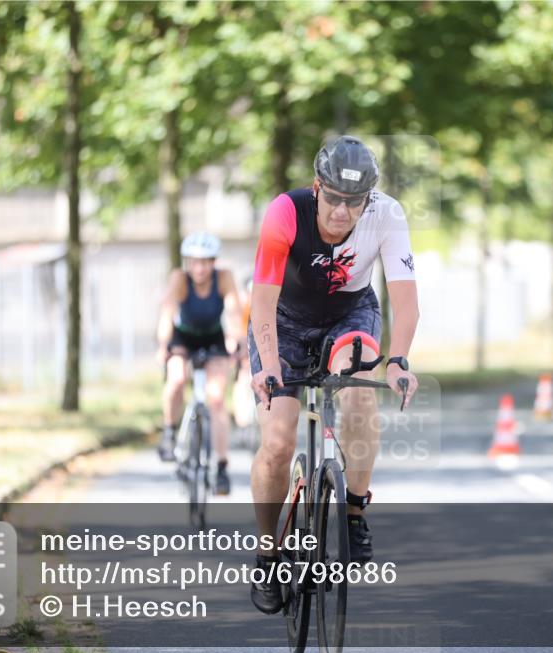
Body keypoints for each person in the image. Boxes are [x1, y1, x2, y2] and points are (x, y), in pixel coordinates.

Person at [246, 136, 419, 614]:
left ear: (370, 197)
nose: (344, 211)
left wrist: (399, 359)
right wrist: (270, 371)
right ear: (316, 187)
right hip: (281, 320)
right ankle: (267, 553)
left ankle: (356, 509)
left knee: (360, 394)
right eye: (336, 199)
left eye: (356, 201)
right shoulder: (285, 212)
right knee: (278, 442)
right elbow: (261, 299)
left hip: (349, 315)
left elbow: (405, 299)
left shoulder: (388, 214)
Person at [156, 232, 244, 496]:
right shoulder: (179, 279)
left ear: (213, 263)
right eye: (194, 262)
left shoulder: (224, 277)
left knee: (216, 398)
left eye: (205, 262)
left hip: (213, 337)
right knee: (177, 379)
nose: (200, 268)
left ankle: (221, 467)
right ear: (187, 262)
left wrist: (235, 341)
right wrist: (163, 346)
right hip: (183, 337)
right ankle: (170, 431)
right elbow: (167, 312)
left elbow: (234, 311)